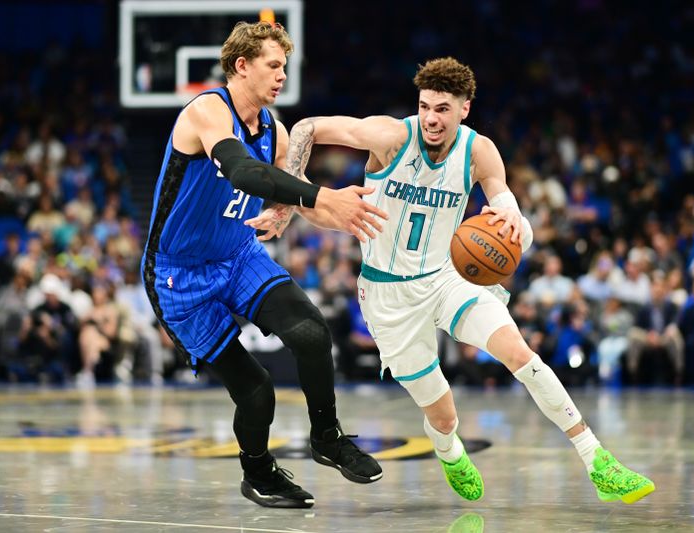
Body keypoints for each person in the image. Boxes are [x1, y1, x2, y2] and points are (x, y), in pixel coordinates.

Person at [255, 57, 655, 504]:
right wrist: (288, 200)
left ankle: (596, 459)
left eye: (443, 108)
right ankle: (448, 450)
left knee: (521, 354)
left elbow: (508, 209)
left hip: (446, 277)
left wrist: (512, 219)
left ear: (465, 108)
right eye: (425, 106)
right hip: (388, 294)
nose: (430, 117)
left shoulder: (479, 150)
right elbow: (308, 127)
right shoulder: (391, 136)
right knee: (443, 416)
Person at [140, 21, 386, 509]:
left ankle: (326, 435)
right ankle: (259, 473)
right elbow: (244, 171)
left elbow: (291, 197)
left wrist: (342, 213)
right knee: (257, 392)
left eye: (285, 68)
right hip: (178, 274)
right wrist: (319, 195)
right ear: (242, 66)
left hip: (237, 254)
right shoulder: (207, 110)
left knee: (313, 333)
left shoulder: (276, 131)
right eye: (274, 66)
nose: (281, 76)